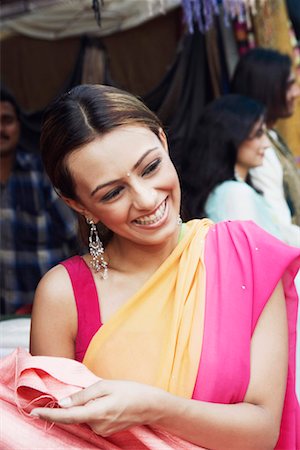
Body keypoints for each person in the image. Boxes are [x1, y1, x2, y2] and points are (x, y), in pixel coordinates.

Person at [23, 84, 299, 449]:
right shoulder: (64, 296)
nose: (147, 199)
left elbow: (262, 430)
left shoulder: (245, 255)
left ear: (163, 141)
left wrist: (154, 408)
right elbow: (48, 439)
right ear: (80, 205)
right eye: (112, 193)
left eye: (150, 167)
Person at [0, 86, 79, 315]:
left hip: (47, 310)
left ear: (19, 127)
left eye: (7, 120)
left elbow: (77, 236)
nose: (1, 128)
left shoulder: (42, 175)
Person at [183, 94, 283, 241]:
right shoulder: (234, 194)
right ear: (232, 138)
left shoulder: (232, 190)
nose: (266, 143)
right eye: (258, 134)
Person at [231, 47, 300, 247]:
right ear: (268, 90)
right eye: (289, 86)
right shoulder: (259, 153)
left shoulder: (272, 136)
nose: (296, 92)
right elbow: (280, 228)